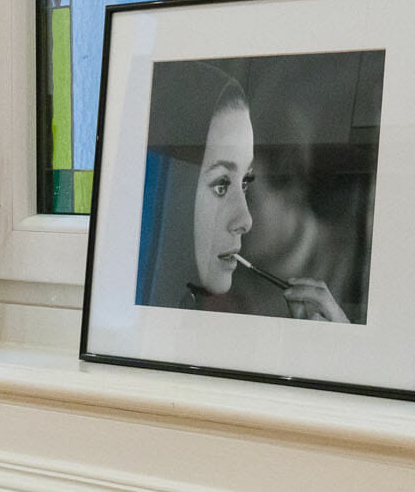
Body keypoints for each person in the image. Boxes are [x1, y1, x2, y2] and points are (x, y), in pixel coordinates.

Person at [142, 61, 349, 321]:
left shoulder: (354, 269)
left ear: (291, 187)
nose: (245, 220)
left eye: (246, 185)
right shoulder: (207, 288)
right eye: (222, 186)